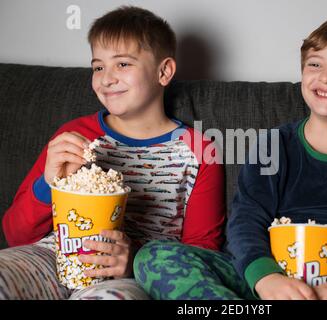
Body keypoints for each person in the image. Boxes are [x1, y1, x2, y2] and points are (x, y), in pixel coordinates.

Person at [133, 16, 327, 300]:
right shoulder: (273, 146)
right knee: (155, 257)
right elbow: (247, 219)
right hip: (270, 285)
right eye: (315, 64)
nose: (326, 77)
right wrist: (267, 279)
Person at [0, 6, 225, 300]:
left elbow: (201, 253)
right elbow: (14, 235)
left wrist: (133, 263)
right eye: (98, 67)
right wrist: (48, 184)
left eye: (122, 64)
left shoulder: (199, 151)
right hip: (50, 257)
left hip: (128, 278)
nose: (106, 78)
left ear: (164, 71)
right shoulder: (73, 136)